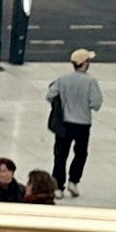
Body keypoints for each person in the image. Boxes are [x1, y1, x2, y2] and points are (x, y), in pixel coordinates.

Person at [43, 48, 100, 196]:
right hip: (83, 123)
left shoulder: (63, 79)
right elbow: (96, 103)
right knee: (80, 153)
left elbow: (50, 95)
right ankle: (73, 182)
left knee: (60, 155)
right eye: (88, 61)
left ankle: (58, 186)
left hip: (64, 123)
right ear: (84, 63)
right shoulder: (91, 81)